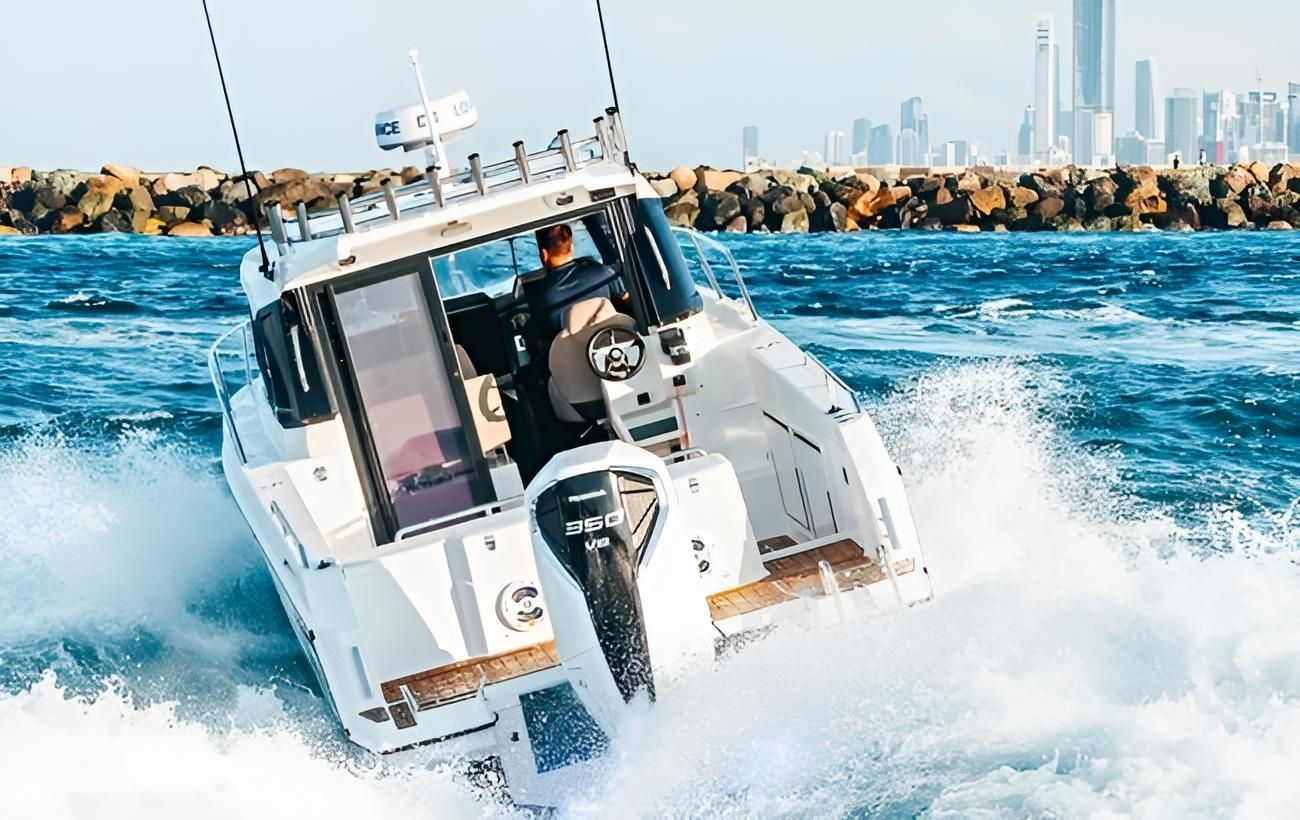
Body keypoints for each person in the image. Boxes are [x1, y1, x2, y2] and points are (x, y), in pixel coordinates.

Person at [532, 223, 629, 337]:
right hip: (615, 342)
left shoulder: (542, 295)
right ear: (572, 248)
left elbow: (544, 337)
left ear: (544, 254)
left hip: (572, 353)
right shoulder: (602, 271)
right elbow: (627, 299)